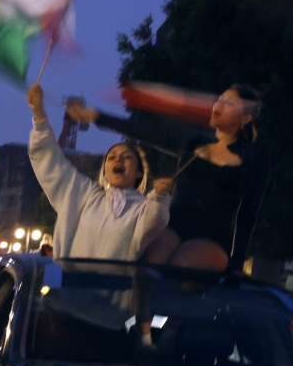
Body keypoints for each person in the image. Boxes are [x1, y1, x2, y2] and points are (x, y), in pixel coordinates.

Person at [65, 84, 268, 271]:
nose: (219, 105)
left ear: (246, 118)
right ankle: (134, 310)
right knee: (148, 262)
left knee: (181, 266)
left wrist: (236, 265)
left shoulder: (253, 158)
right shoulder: (194, 142)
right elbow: (147, 132)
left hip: (212, 236)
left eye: (229, 103)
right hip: (176, 224)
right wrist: (96, 116)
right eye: (220, 99)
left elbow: (248, 215)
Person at [28, 83, 173, 260]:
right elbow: (50, 161)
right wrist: (39, 114)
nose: (118, 159)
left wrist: (159, 196)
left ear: (138, 173)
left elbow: (154, 221)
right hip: (68, 285)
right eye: (111, 157)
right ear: (104, 171)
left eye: (126, 157)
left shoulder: (143, 207)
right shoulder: (82, 195)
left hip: (115, 287)